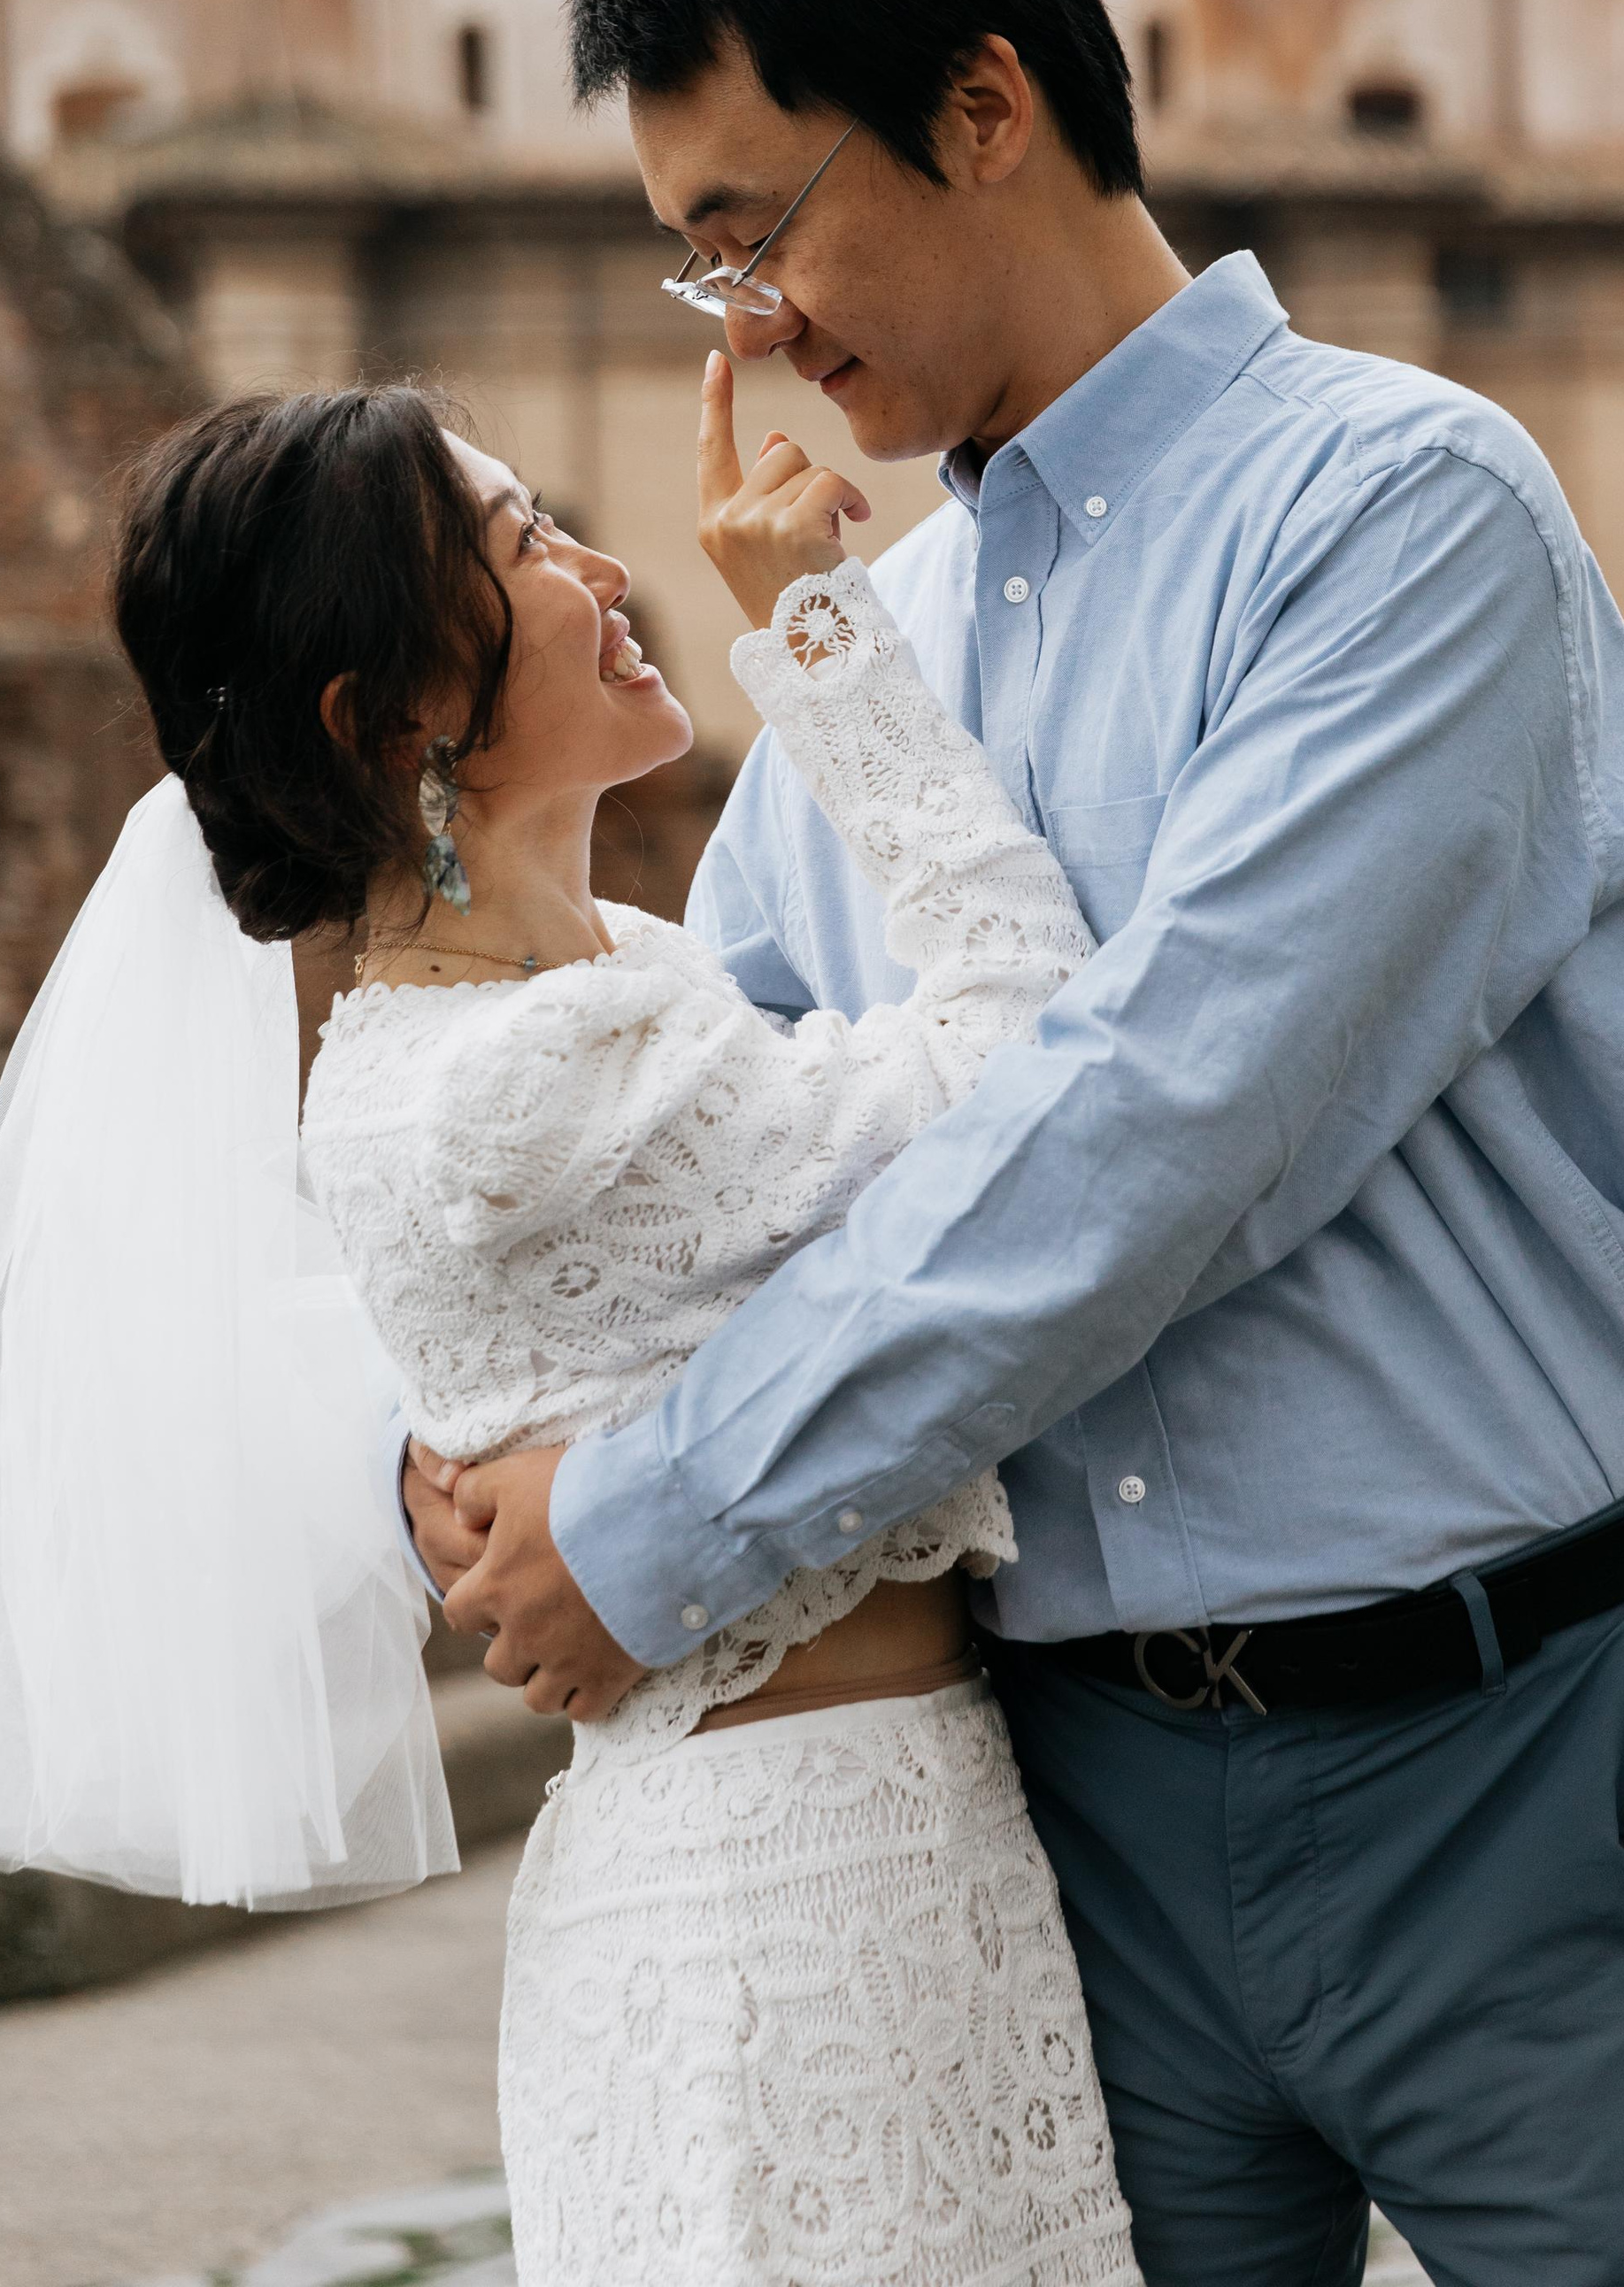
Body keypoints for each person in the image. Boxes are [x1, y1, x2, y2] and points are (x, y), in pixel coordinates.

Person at [411, 0, 1624, 2287]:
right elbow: (715, 1112)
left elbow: (1157, 1130)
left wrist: (650, 1520)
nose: (745, 326)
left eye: (757, 229)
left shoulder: (1400, 520)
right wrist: (467, 1417)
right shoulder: (888, 645)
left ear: (986, 103)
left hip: (1506, 1753)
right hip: (1054, 1810)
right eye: (693, 263)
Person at [109, 377, 1141, 2285]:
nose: (598, 565)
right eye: (520, 545)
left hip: (821, 1855)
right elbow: (1029, 1063)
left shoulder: (552, 1008)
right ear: (396, 717)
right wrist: (824, 637)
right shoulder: (545, 1067)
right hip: (802, 1898)